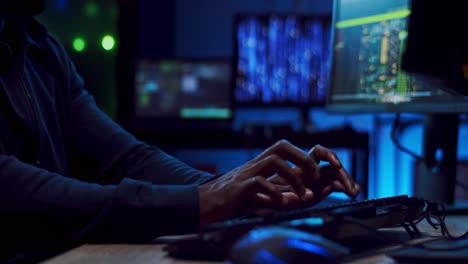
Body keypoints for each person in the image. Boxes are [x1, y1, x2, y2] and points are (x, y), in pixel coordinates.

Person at [0, 0, 360, 262]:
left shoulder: (39, 47)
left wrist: (238, 190)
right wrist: (204, 202)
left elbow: (125, 158)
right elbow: (13, 193)